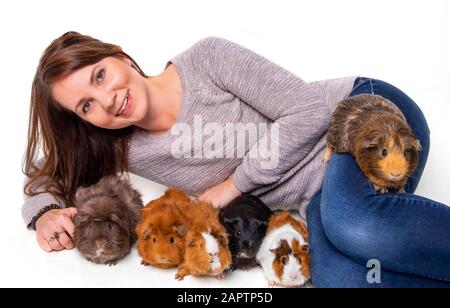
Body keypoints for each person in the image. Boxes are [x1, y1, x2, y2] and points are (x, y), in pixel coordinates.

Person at [22, 32, 450, 287]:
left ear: (121, 57)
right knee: (340, 277)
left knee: (351, 222)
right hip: (322, 191)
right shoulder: (122, 146)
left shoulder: (206, 60)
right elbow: (47, 174)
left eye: (100, 75)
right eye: (86, 105)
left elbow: (308, 111)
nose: (108, 100)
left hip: (359, 119)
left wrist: (234, 185)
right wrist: (43, 213)